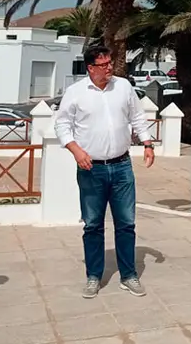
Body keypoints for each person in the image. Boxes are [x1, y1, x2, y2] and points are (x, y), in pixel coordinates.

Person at [55, 44, 155, 299]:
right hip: (92, 170)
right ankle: (93, 276)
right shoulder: (75, 93)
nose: (110, 67)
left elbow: (138, 117)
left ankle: (129, 275)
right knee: (92, 225)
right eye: (104, 64)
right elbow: (62, 125)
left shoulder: (123, 87)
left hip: (122, 166)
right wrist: (76, 151)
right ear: (90, 68)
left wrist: (147, 143)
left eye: (110, 62)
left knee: (126, 223)